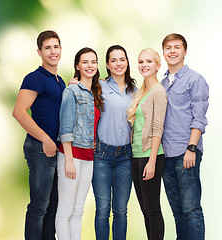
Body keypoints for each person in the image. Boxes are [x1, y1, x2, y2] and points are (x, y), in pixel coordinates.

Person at [12, 30, 66, 240]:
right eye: (47, 48)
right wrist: (45, 139)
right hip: (40, 148)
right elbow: (18, 112)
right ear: (39, 52)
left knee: (52, 206)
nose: (52, 52)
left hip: (54, 149)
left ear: (61, 49)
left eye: (55, 47)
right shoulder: (35, 78)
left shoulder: (59, 81)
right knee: (39, 206)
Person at [160, 33, 209, 240]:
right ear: (163, 52)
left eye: (177, 47)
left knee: (191, 210)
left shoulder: (195, 79)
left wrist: (191, 149)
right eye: (168, 47)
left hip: (185, 152)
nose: (172, 51)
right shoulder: (161, 83)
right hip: (166, 155)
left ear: (185, 52)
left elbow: (199, 118)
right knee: (177, 211)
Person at [55, 47, 103, 240]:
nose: (89, 66)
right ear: (77, 66)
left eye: (93, 62)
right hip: (71, 156)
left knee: (78, 210)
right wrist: (68, 160)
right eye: (85, 62)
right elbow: (65, 128)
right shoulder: (71, 91)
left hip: (88, 158)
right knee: (65, 209)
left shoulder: (96, 93)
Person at [92, 45, 136, 240]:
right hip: (101, 155)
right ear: (108, 65)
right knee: (102, 208)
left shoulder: (136, 91)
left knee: (121, 210)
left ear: (127, 62)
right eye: (114, 60)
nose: (119, 64)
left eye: (122, 59)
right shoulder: (99, 87)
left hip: (126, 157)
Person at [127, 48, 167, 240]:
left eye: (149, 62)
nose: (144, 65)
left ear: (158, 65)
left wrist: (151, 161)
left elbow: (158, 128)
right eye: (141, 62)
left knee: (152, 209)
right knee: (145, 210)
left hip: (150, 156)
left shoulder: (158, 92)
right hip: (136, 157)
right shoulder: (141, 91)